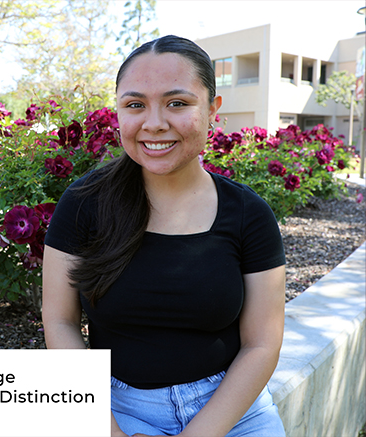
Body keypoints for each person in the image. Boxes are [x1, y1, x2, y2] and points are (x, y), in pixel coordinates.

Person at [42, 35, 287, 437]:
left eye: (177, 103)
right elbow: (59, 321)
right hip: (113, 407)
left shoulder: (249, 214)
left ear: (212, 110)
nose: (154, 123)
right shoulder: (84, 203)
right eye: (135, 105)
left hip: (231, 410)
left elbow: (262, 344)